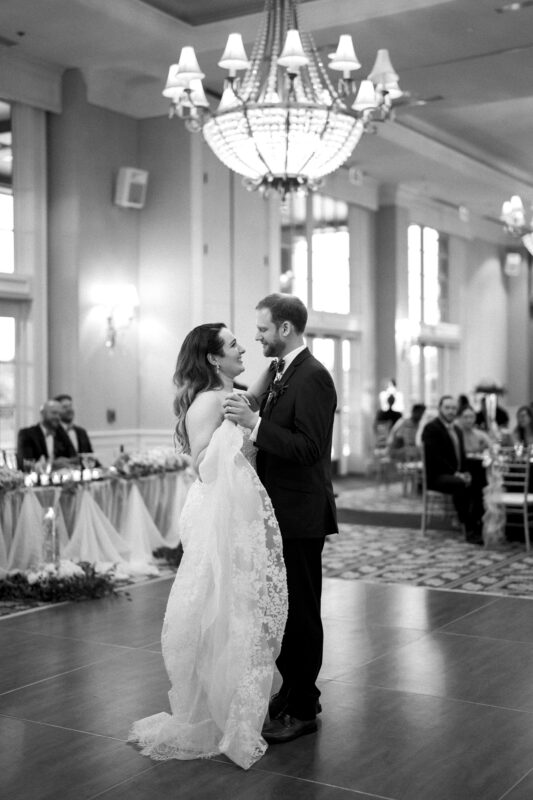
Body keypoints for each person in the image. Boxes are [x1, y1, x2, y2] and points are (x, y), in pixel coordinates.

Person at [128, 323, 287, 770]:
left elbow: (246, 400)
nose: (242, 348)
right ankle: (219, 710)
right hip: (219, 512)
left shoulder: (226, 396)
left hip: (240, 510)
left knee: (244, 602)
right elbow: (202, 465)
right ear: (215, 359)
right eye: (234, 344)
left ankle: (239, 701)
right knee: (221, 603)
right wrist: (230, 435)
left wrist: (276, 367)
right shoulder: (205, 403)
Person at [223, 293, 338, 745]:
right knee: (282, 611)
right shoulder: (277, 372)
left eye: (264, 329)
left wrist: (255, 425)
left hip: (301, 514)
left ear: (285, 329)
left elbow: (309, 448)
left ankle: (304, 708)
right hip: (276, 512)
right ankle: (293, 691)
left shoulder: (314, 378)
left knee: (302, 614)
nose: (256, 336)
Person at [422, 395, 484, 545]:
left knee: (479, 481)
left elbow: (460, 457)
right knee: (460, 484)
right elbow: (435, 458)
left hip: (454, 473)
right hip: (437, 476)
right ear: (440, 409)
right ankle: (469, 529)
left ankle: (477, 523)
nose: (451, 411)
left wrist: (465, 472)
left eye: (454, 408)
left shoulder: (457, 429)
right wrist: (457, 474)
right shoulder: (431, 428)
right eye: (447, 408)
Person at [16, 399, 76, 470]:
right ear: (42, 414)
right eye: (54, 413)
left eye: (60, 414)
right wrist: (52, 464)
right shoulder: (27, 434)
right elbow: (25, 463)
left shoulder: (62, 433)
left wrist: (67, 461)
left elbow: (75, 457)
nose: (57, 417)